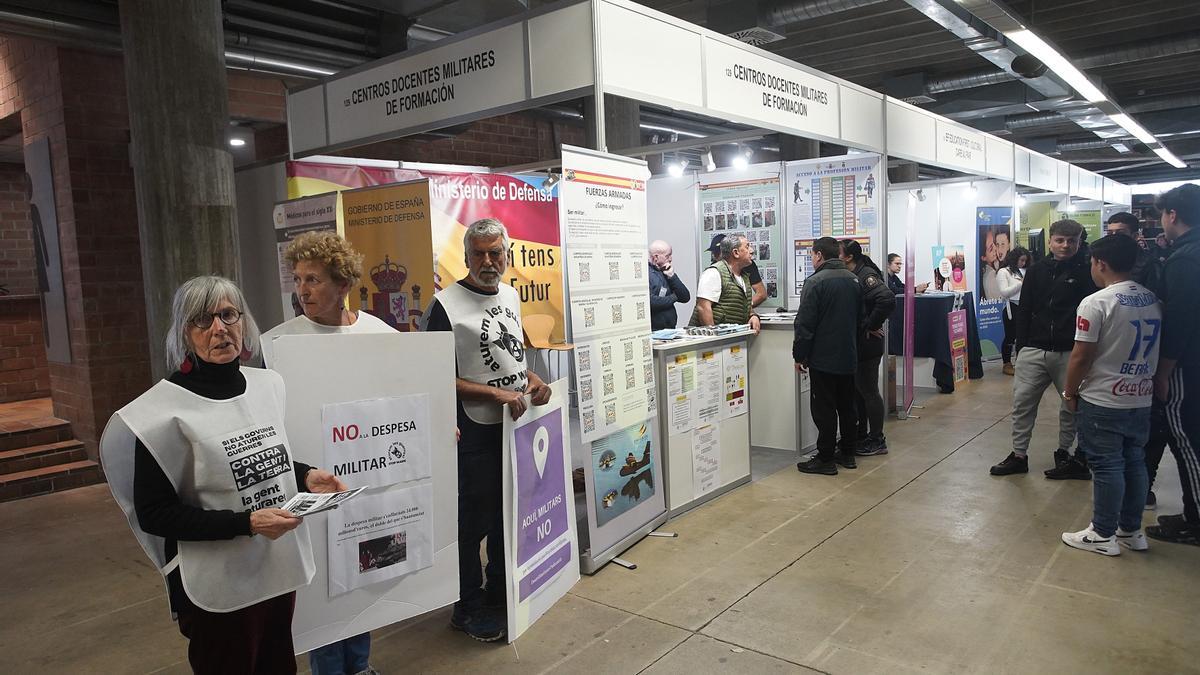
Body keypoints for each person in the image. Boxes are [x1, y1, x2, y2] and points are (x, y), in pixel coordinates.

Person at [100, 276, 346, 674]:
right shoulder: (159, 414)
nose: (219, 328)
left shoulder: (268, 385)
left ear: (243, 322)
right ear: (185, 332)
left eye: (228, 314)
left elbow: (254, 461)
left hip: (276, 568)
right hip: (219, 584)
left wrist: (304, 476)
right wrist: (245, 522)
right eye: (203, 319)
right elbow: (155, 514)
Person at [261, 231, 389, 675]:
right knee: (321, 586)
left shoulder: (378, 331)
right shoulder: (278, 344)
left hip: (366, 476)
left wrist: (435, 427)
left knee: (360, 573)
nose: (302, 290)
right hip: (311, 483)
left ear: (342, 285)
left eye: (313, 279)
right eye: (298, 280)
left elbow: (406, 388)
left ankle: (360, 665)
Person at [421, 218, 552, 640]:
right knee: (470, 525)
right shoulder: (445, 306)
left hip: (512, 428)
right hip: (473, 432)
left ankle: (498, 593)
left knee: (505, 516)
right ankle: (467, 607)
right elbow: (432, 375)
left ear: (507, 255)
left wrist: (530, 379)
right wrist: (493, 395)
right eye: (479, 253)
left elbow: (509, 356)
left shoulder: (511, 295)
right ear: (466, 256)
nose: (488, 261)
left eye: (495, 252)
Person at [1060, 234, 1159, 556]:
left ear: (1100, 263)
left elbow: (1081, 355)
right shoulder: (1150, 298)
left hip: (1104, 398)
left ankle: (1102, 533)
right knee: (1134, 461)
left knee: (1106, 465)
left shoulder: (1097, 302)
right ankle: (1131, 530)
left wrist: (1070, 391)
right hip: (1140, 395)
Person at [991, 219, 1098, 478]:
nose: (1065, 245)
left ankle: (1066, 455)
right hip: (1034, 350)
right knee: (1022, 403)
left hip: (1069, 351)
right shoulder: (1037, 271)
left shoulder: (1087, 272)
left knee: (1071, 406)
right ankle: (1018, 455)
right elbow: (1024, 308)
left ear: (1079, 242)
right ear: (1050, 241)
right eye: (1060, 240)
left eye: (1072, 241)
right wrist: (1023, 345)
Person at [1148, 184, 1200, 546]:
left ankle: (1196, 520)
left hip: (1187, 363)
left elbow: (1181, 318)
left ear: (1172, 215)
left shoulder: (1186, 259)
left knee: (1186, 440)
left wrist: (1164, 370)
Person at [794, 237, 862, 475]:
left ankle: (825, 458)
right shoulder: (853, 279)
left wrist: (800, 355)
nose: (812, 259)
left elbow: (805, 324)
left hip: (823, 358)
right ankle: (848, 454)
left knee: (824, 409)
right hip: (848, 355)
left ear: (819, 255)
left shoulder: (815, 282)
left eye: (812, 255)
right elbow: (860, 318)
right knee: (846, 406)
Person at [840, 240, 895, 456]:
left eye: (839, 253)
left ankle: (877, 439)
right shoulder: (855, 274)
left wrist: (870, 325)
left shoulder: (866, 275)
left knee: (869, 391)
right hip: (860, 344)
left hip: (868, 345)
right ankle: (861, 435)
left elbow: (887, 299)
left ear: (849, 257)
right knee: (859, 392)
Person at [691, 234, 762, 334]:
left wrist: (753, 316)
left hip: (729, 340)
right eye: (747, 246)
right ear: (736, 253)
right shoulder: (713, 273)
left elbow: (746, 306)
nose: (751, 250)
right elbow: (703, 307)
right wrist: (714, 339)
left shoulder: (744, 277)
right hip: (706, 343)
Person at [707, 234, 767, 308]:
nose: (715, 256)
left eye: (717, 252)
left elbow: (761, 294)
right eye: (713, 252)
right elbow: (704, 306)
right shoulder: (713, 271)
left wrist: (745, 310)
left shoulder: (747, 266)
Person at [996, 247, 1030, 376]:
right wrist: (1021, 283)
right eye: (1021, 260)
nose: (1023, 263)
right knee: (1010, 336)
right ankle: (1006, 363)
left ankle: (1022, 362)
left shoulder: (1026, 271)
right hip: (1011, 307)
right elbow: (1004, 292)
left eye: (1025, 261)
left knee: (1024, 337)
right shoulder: (1003, 272)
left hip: (1025, 306)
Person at [647, 239, 690, 330]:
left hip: (670, 329)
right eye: (667, 256)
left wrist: (672, 276)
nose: (670, 259)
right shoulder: (645, 273)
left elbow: (685, 297)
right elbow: (651, 302)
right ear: (656, 257)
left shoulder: (665, 270)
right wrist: (674, 297)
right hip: (654, 331)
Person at [979, 225, 1012, 300]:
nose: (996, 248)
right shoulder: (991, 276)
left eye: (994, 243)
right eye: (991, 248)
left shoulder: (997, 266)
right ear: (983, 257)